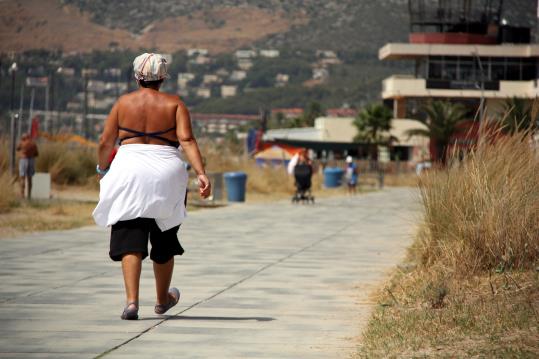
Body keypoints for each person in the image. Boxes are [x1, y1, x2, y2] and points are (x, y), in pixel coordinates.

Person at [92, 53, 211, 320]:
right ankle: (161, 300)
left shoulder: (123, 103)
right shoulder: (174, 104)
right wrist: (202, 173)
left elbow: (105, 141)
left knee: (130, 238)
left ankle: (132, 303)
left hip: (128, 169)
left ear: (137, 76)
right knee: (164, 235)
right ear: (163, 78)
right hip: (166, 170)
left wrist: (102, 169)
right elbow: (187, 139)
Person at [16, 133, 39, 199]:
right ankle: (29, 195)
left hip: (23, 160)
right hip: (31, 160)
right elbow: (36, 154)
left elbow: (17, 148)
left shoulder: (22, 142)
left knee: (22, 178)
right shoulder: (33, 144)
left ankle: (22, 195)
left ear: (24, 137)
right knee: (30, 178)